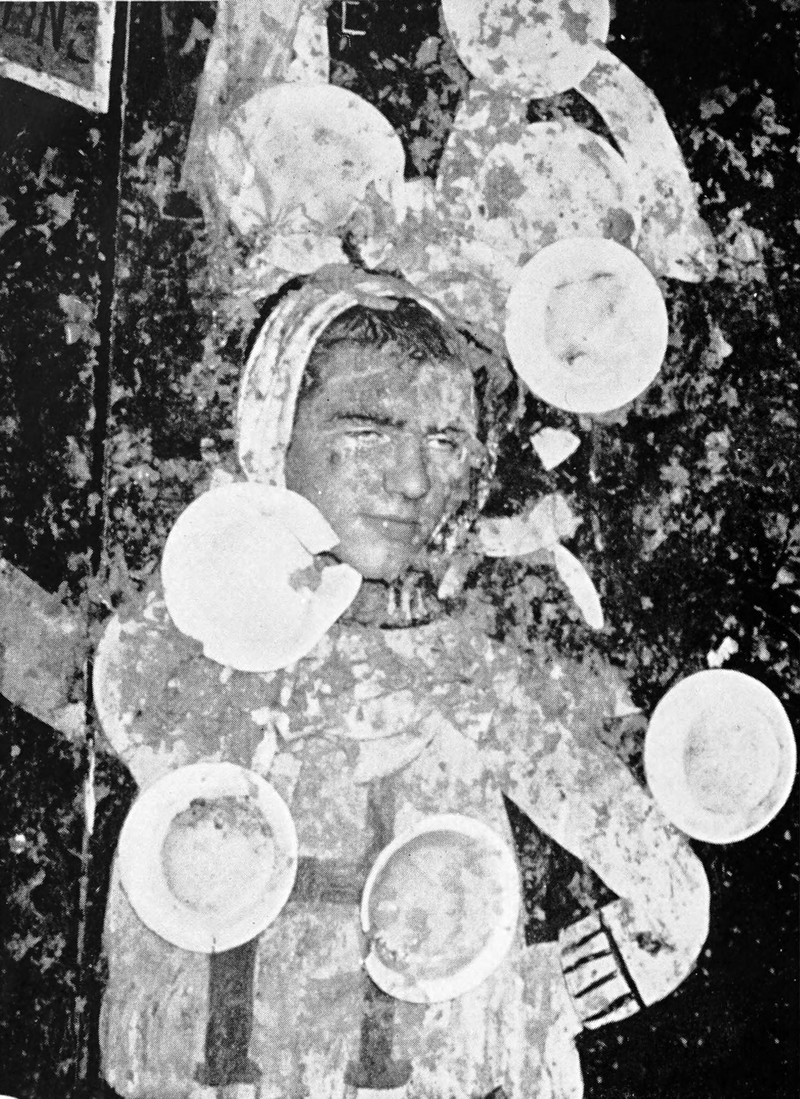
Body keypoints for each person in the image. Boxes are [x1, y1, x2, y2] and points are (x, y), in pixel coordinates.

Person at [69, 267, 711, 1098]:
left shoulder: (474, 678)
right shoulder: (188, 636)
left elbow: (671, 899)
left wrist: (523, 1003)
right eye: (369, 428)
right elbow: (122, 696)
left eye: (445, 442)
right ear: (273, 428)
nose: (412, 480)